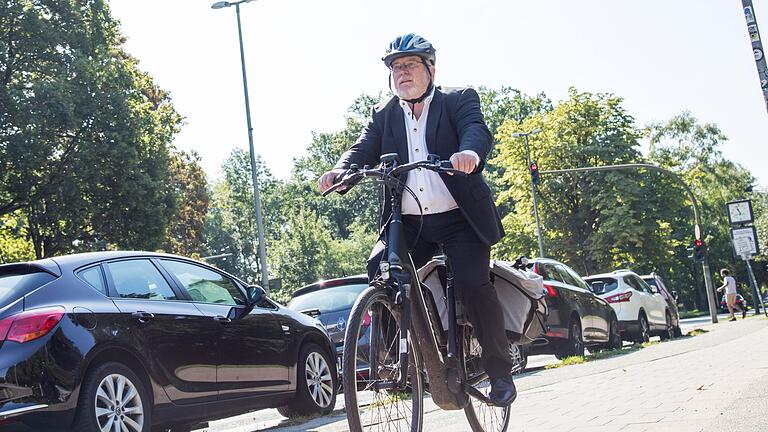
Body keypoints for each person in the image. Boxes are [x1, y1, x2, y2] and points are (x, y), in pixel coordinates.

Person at [318, 33, 516, 407]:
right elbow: (361, 148)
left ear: (431, 68)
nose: (402, 73)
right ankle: (401, 355)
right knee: (382, 267)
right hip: (411, 221)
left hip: (460, 218)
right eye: (396, 68)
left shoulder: (458, 99)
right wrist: (340, 171)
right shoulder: (384, 114)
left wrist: (469, 153)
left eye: (409, 65)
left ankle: (499, 371)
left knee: (474, 285)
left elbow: (476, 129)